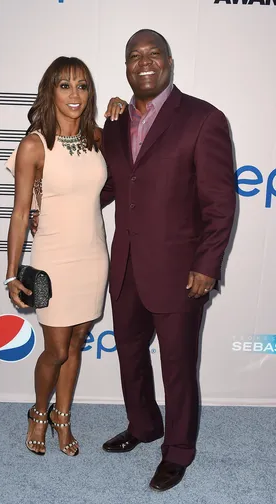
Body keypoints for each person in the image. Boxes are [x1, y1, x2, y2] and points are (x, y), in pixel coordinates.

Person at [100, 29, 236, 491]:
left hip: (182, 271)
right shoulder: (115, 124)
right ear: (125, 67)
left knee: (177, 366)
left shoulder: (203, 118)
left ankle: (177, 450)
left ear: (170, 61)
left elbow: (220, 204)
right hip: (126, 265)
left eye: (153, 53)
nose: (144, 62)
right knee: (131, 355)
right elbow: (112, 187)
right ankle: (143, 426)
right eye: (134, 55)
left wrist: (207, 264)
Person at [5, 56, 125, 456]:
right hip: (54, 259)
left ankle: (63, 416)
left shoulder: (97, 136)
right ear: (50, 91)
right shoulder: (34, 144)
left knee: (76, 344)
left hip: (94, 256)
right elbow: (21, 212)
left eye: (82, 86)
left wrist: (121, 112)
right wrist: (11, 274)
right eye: (65, 85)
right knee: (55, 349)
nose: (74, 94)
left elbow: (133, 154)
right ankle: (40, 413)